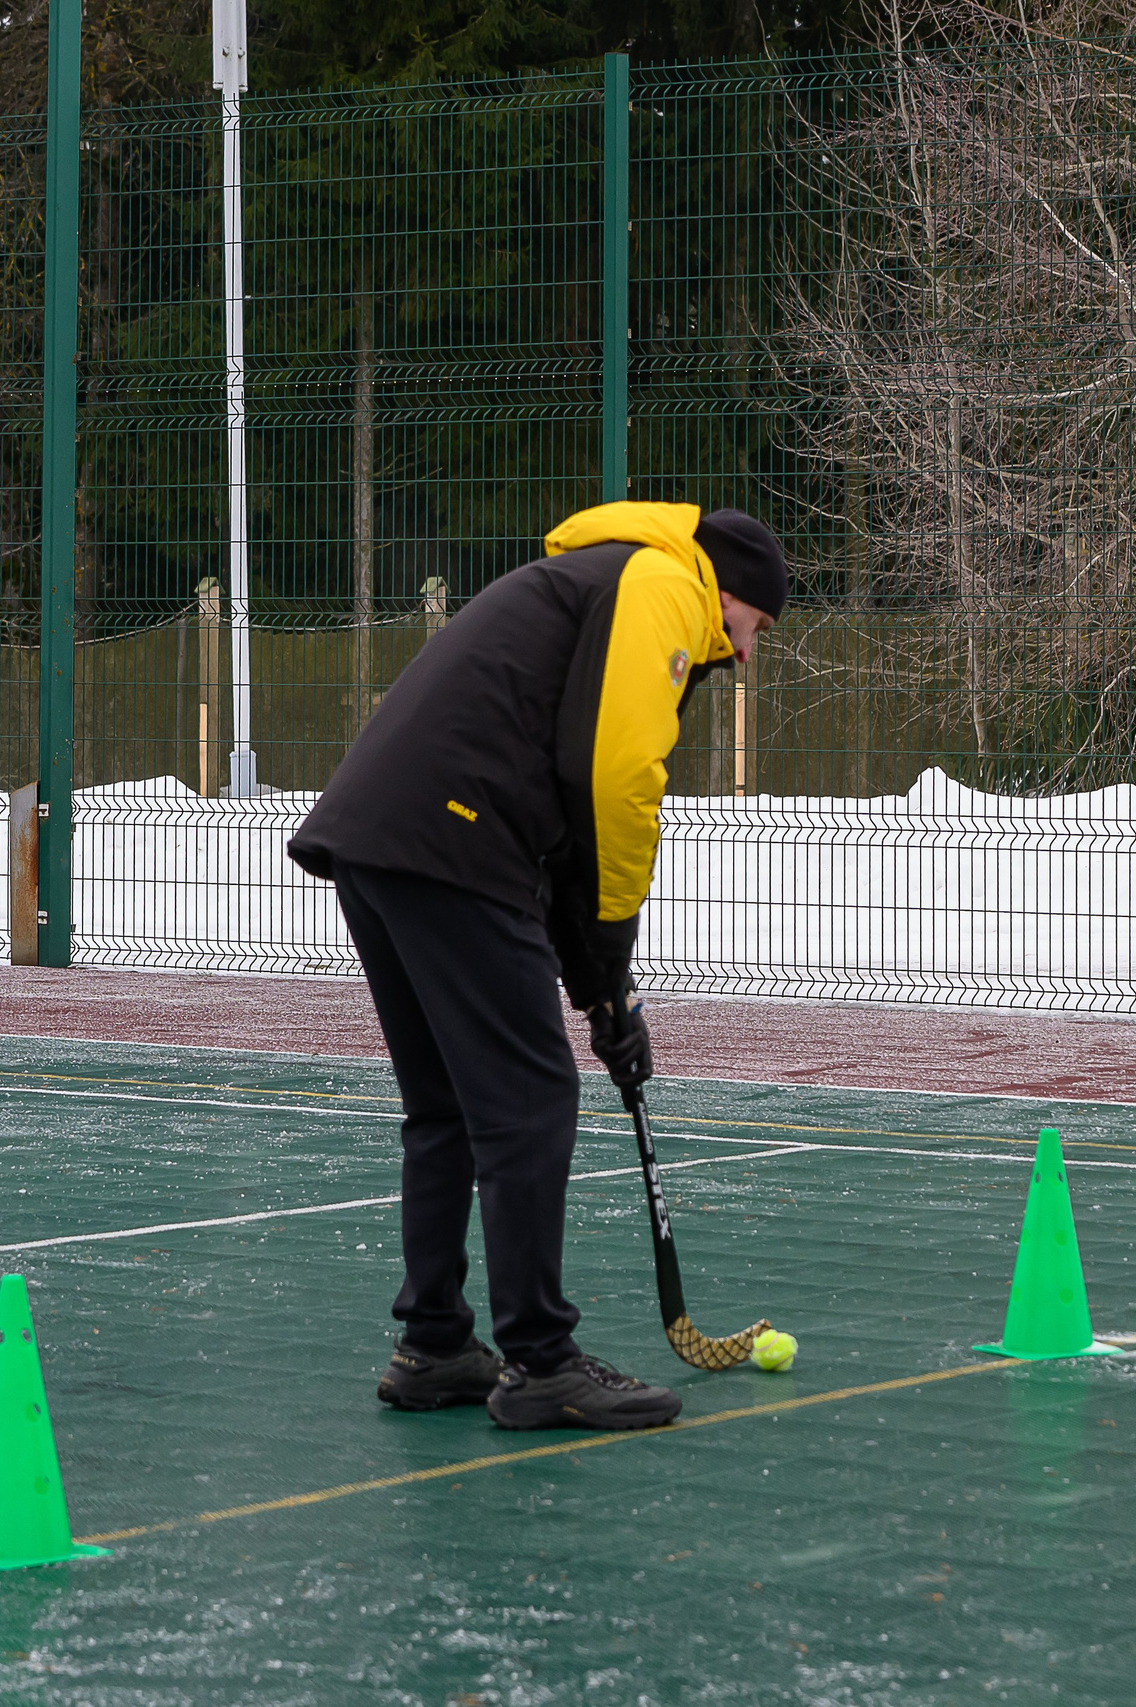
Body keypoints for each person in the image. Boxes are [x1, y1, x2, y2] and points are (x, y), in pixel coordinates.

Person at [288, 501, 788, 1431]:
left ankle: (434, 1344)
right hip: (455, 836)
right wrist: (611, 943)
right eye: (755, 626)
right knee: (529, 1096)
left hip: (383, 833)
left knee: (447, 1102)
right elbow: (615, 778)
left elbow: (561, 814)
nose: (748, 654)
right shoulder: (663, 585)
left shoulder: (599, 578)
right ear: (726, 593)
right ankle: (542, 1361)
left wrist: (601, 989)